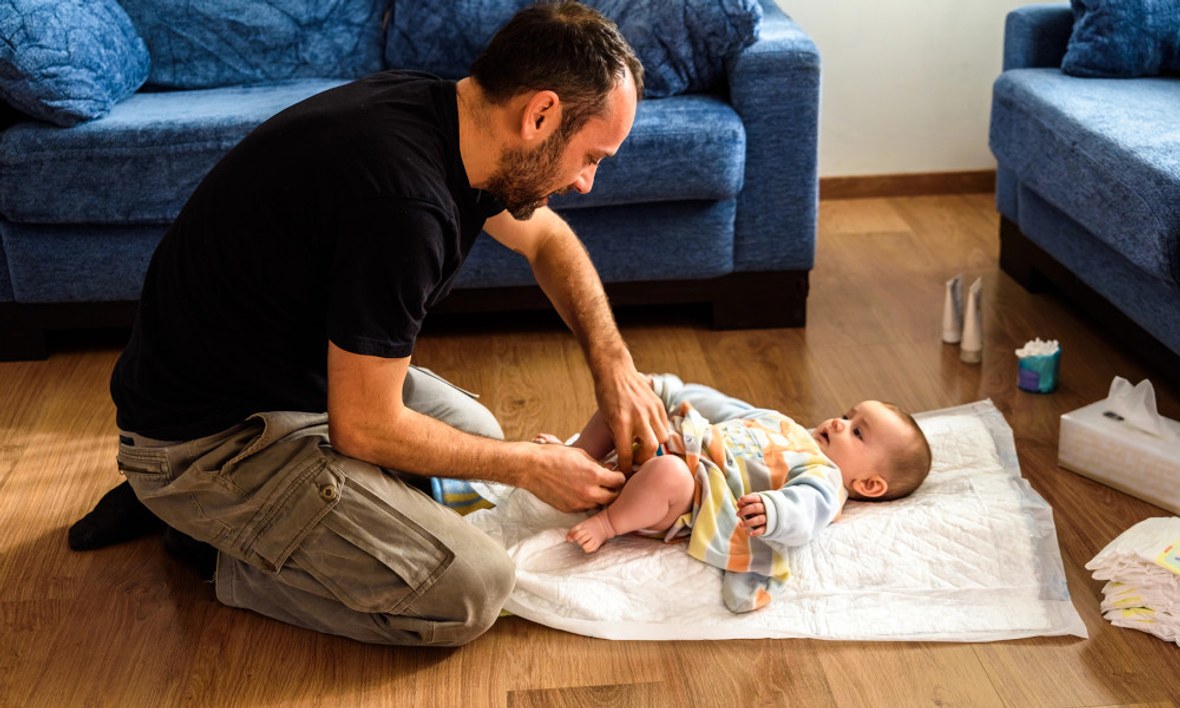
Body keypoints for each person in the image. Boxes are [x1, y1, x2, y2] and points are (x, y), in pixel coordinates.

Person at [71, 1, 672, 647]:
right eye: (592, 157)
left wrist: (613, 364)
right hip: (206, 442)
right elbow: (365, 427)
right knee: (471, 590)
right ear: (541, 114)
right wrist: (529, 466)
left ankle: (231, 513)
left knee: (476, 435)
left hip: (281, 383)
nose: (585, 182)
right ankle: (205, 538)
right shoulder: (402, 204)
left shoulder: (451, 119)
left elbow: (548, 241)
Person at [539, 373, 931, 612]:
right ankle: (577, 457)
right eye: (848, 415)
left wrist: (775, 511)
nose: (840, 423)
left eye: (858, 432)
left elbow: (807, 511)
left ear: (869, 485)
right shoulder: (784, 424)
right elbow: (724, 406)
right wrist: (666, 391)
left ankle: (609, 520)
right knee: (628, 406)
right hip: (671, 441)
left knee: (670, 474)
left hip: (687, 494)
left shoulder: (824, 477)